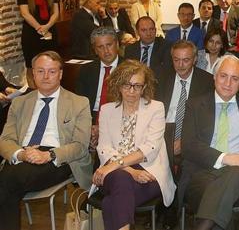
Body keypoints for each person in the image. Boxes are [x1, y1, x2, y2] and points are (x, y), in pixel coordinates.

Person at [0, 51, 92, 230]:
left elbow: (80, 146)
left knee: (6, 182)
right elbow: (5, 139)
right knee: (7, 186)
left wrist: (48, 155)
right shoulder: (19, 103)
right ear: (33, 74)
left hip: (58, 158)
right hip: (23, 155)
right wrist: (21, 154)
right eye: (40, 71)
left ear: (61, 74)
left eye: (51, 71)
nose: (46, 76)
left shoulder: (79, 103)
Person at [181, 55, 239, 230]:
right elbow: (189, 145)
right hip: (202, 174)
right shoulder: (195, 105)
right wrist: (226, 158)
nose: (228, 83)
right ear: (214, 76)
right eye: (223, 76)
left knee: (234, 174)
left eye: (235, 78)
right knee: (224, 191)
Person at [93, 60, 176, 230]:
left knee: (111, 202)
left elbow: (149, 149)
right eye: (127, 85)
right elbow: (104, 148)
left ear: (144, 87)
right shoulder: (107, 110)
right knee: (121, 179)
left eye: (137, 86)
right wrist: (130, 171)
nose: (131, 91)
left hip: (148, 170)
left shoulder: (156, 108)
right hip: (115, 170)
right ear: (118, 84)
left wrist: (116, 166)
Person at [154, 40, 215, 228]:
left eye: (186, 60)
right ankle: (162, 211)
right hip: (162, 132)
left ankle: (175, 213)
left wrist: (184, 140)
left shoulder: (206, 81)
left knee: (186, 168)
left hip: (191, 135)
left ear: (195, 59)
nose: (180, 65)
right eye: (176, 60)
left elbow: (207, 122)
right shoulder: (160, 76)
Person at [76, 27, 123, 149]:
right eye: (100, 47)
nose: (106, 51)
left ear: (117, 44)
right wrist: (89, 127)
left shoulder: (129, 69)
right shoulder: (86, 70)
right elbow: (80, 103)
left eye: (109, 45)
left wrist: (102, 128)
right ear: (95, 50)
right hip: (92, 116)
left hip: (118, 118)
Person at [17, 0, 59, 88]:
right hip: (32, 33)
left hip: (50, 30)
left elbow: (56, 13)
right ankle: (34, 95)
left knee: (51, 64)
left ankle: (50, 92)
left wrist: (47, 27)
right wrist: (40, 29)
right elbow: (25, 13)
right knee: (32, 66)